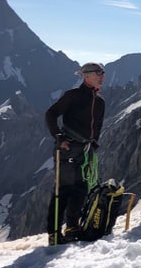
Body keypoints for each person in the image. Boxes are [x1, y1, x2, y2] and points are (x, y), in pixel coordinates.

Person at [45, 62, 106, 244]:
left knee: (80, 189)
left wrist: (93, 145)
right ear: (86, 76)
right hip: (68, 148)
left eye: (102, 73)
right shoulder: (73, 96)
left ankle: (72, 227)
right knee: (63, 190)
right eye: (98, 73)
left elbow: (97, 126)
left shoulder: (100, 102)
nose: (102, 76)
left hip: (84, 150)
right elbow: (51, 114)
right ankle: (54, 233)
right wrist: (58, 137)